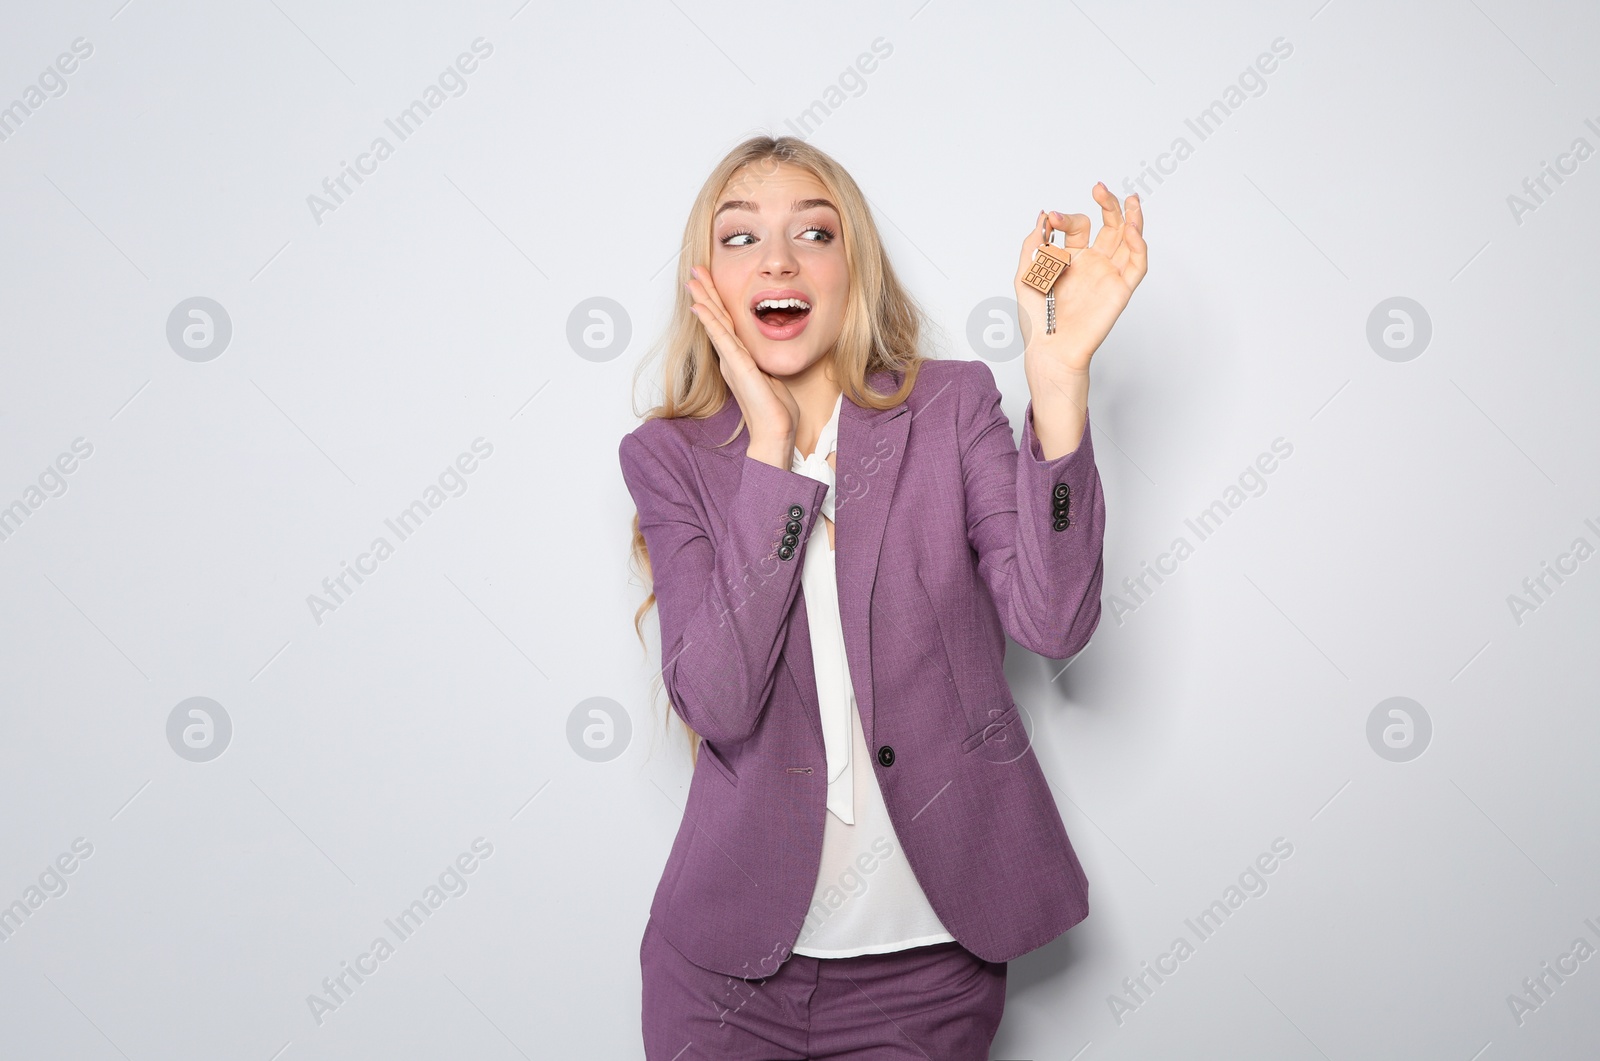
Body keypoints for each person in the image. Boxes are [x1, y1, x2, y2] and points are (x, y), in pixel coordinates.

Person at [621, 134, 1146, 1059]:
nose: (778, 259)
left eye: (812, 233)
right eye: (742, 237)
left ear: (851, 265)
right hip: (724, 975)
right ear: (707, 278)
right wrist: (771, 451)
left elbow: (1053, 621)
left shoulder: (948, 408)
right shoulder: (670, 460)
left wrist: (1057, 387)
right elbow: (719, 699)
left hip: (927, 976)